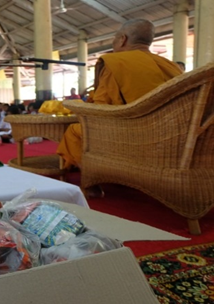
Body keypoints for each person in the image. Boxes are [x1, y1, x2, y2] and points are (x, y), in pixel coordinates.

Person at [56, 19, 182, 196]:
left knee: (74, 131)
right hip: (174, 135)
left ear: (122, 39)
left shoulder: (115, 62)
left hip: (131, 134)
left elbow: (100, 109)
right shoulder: (171, 66)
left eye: (114, 38)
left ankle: (92, 181)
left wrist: (80, 105)